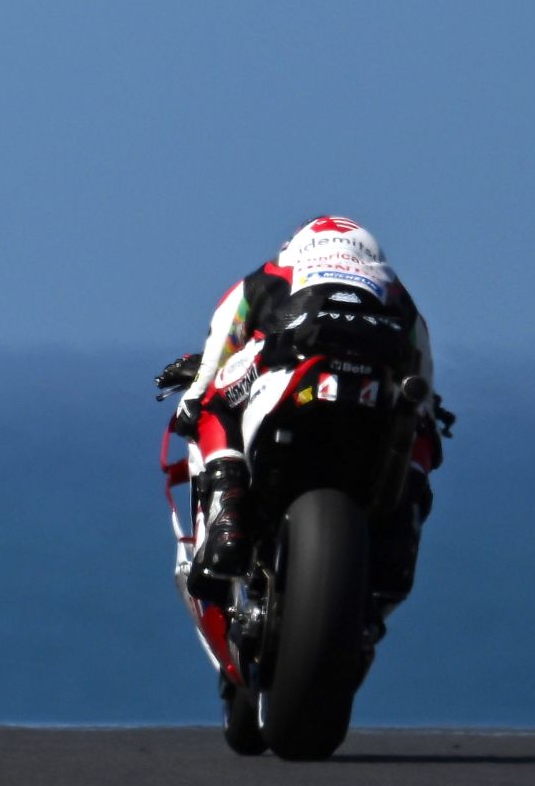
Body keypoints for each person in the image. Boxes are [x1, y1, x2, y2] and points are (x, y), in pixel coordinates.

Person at [159, 216, 450, 669]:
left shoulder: (271, 274)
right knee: (420, 428)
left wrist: (193, 396)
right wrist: (429, 414)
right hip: (377, 399)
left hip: (290, 372)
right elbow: (424, 377)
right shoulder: (395, 291)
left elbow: (221, 345)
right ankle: (401, 530)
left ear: (299, 244)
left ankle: (229, 508)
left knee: (211, 403)